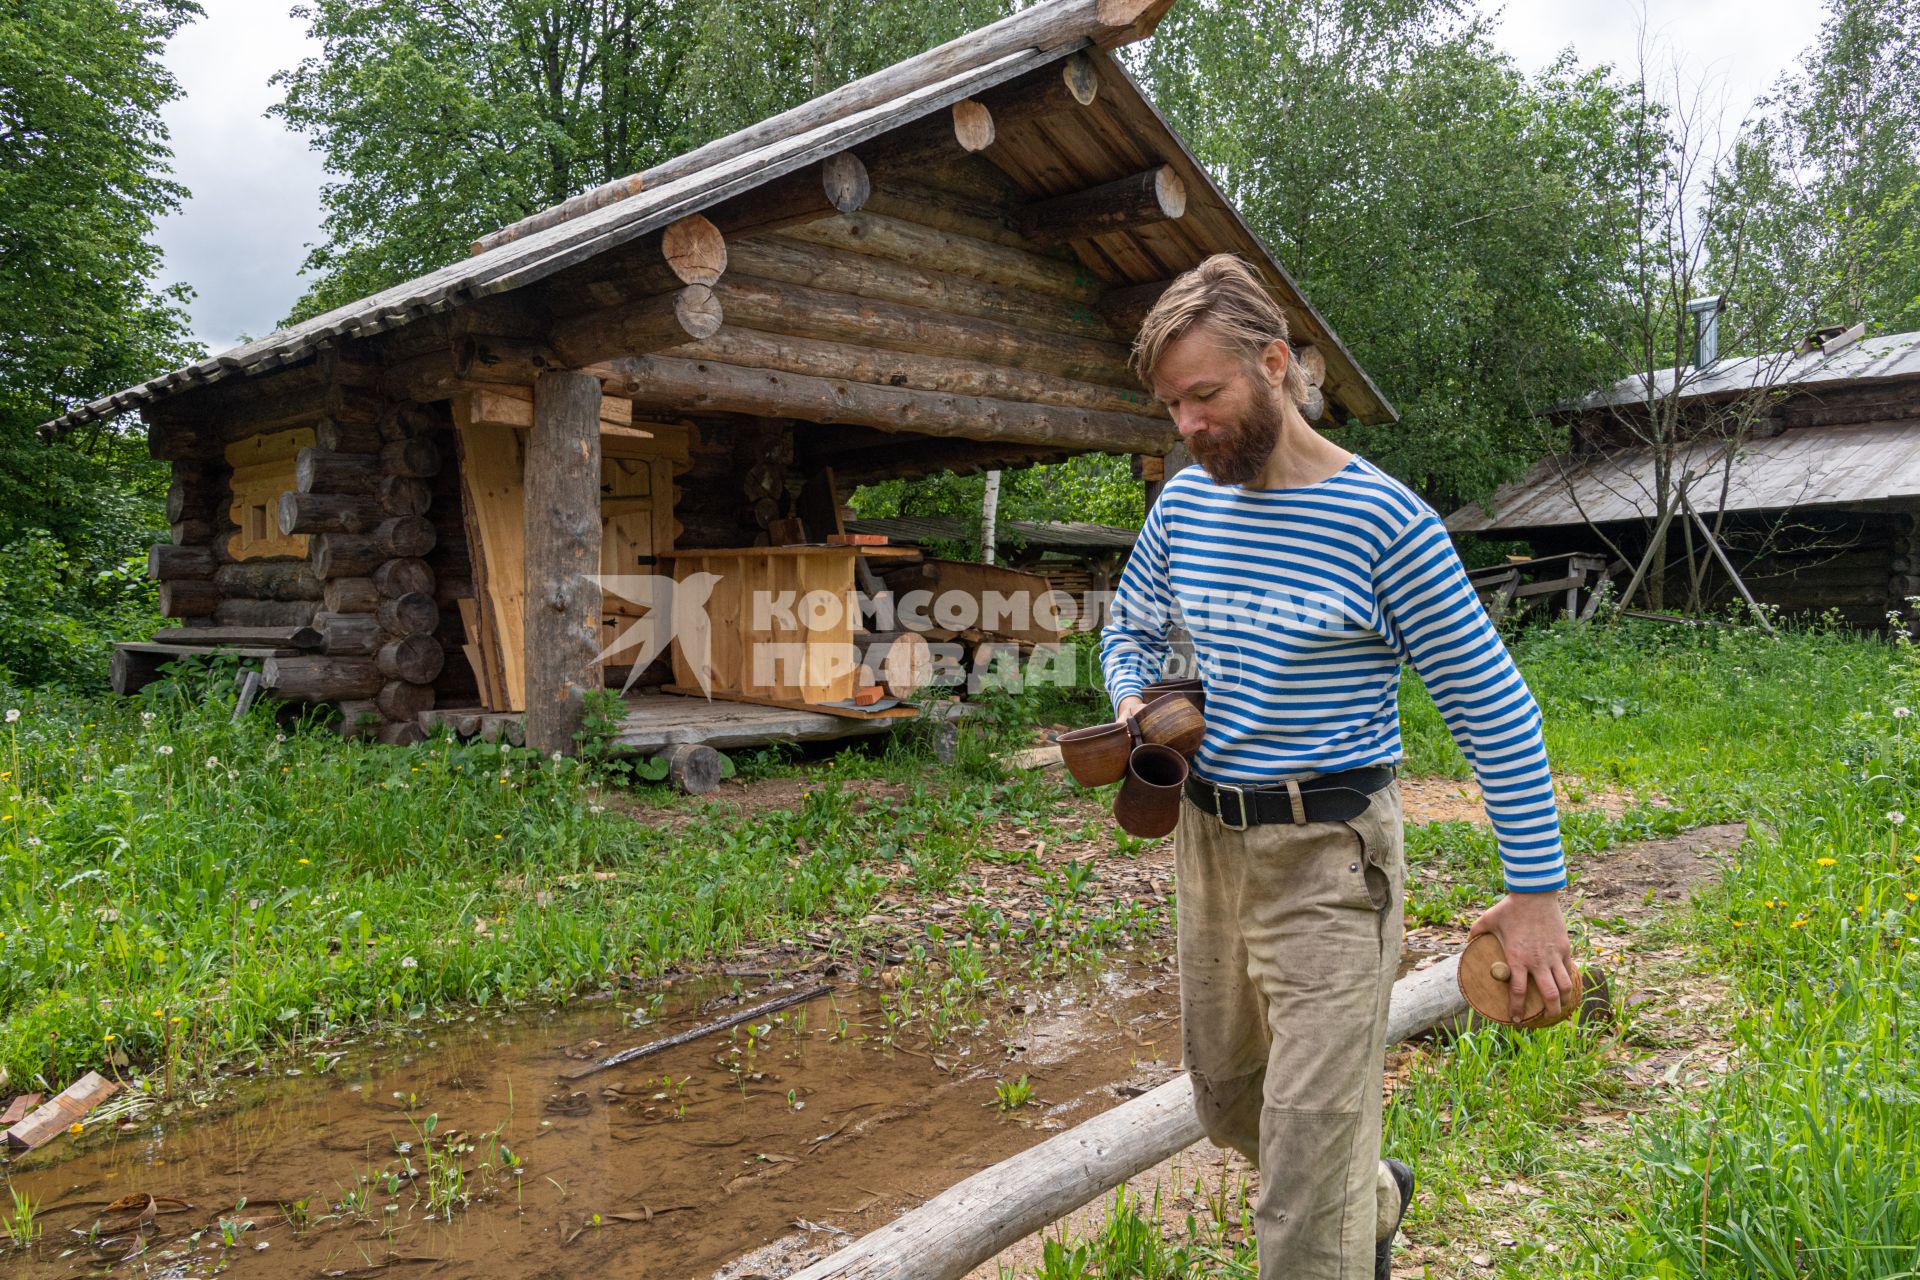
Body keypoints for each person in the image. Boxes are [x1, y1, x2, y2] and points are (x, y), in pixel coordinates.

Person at [1100, 255, 1573, 1280]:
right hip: (1208, 847)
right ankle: (1376, 1195)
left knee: (1298, 1203)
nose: (1185, 425)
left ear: (1274, 365)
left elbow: (1492, 704)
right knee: (1228, 1102)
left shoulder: (1384, 522)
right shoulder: (1184, 506)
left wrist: (1536, 893)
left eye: (1205, 396)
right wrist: (1133, 699)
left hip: (1329, 861)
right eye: (1171, 405)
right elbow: (1126, 631)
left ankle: (1338, 1221)